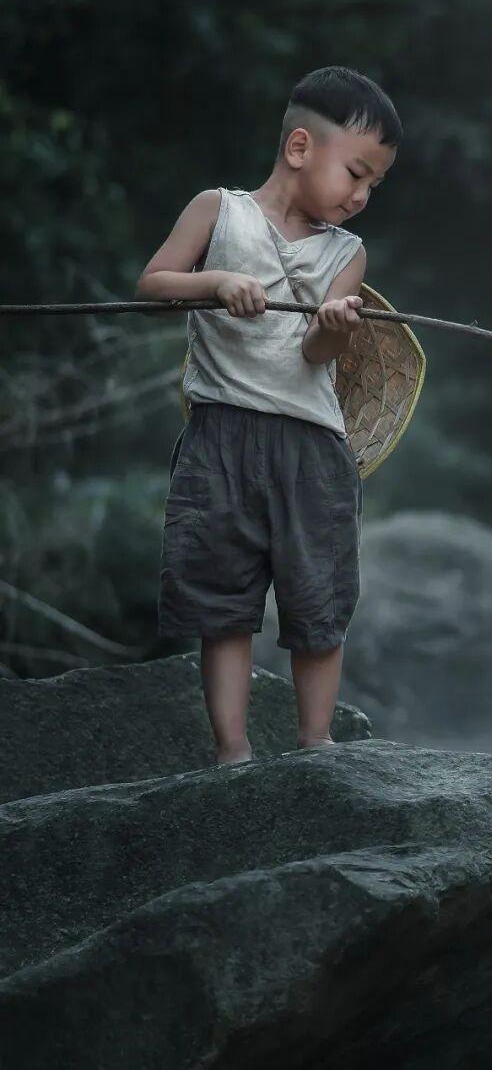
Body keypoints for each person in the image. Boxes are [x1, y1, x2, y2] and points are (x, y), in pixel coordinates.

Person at [136, 65, 400, 766]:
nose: (363, 195)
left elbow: (315, 352)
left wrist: (338, 327)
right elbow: (155, 283)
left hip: (310, 446)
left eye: (375, 183)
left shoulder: (347, 253)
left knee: (318, 596)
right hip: (221, 432)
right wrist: (217, 282)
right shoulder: (219, 212)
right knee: (221, 599)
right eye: (357, 172)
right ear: (300, 148)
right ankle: (233, 750)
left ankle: (316, 745)